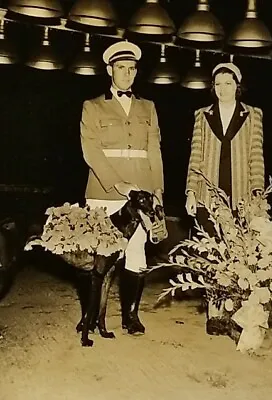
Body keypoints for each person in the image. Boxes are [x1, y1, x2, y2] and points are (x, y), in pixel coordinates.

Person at [80, 40, 164, 335]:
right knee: (100, 257)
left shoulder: (148, 107)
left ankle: (131, 316)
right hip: (103, 193)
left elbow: (154, 151)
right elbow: (91, 151)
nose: (127, 74)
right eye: (121, 68)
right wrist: (118, 183)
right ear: (109, 70)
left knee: (137, 251)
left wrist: (158, 193)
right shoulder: (92, 107)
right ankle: (90, 317)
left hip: (141, 194)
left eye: (132, 69)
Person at [185, 62, 265, 230]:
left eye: (228, 83)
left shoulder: (253, 115)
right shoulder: (202, 115)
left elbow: (256, 157)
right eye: (218, 84)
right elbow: (196, 157)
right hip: (207, 198)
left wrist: (258, 195)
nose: (223, 89)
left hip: (241, 198)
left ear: (237, 86)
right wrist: (191, 193)